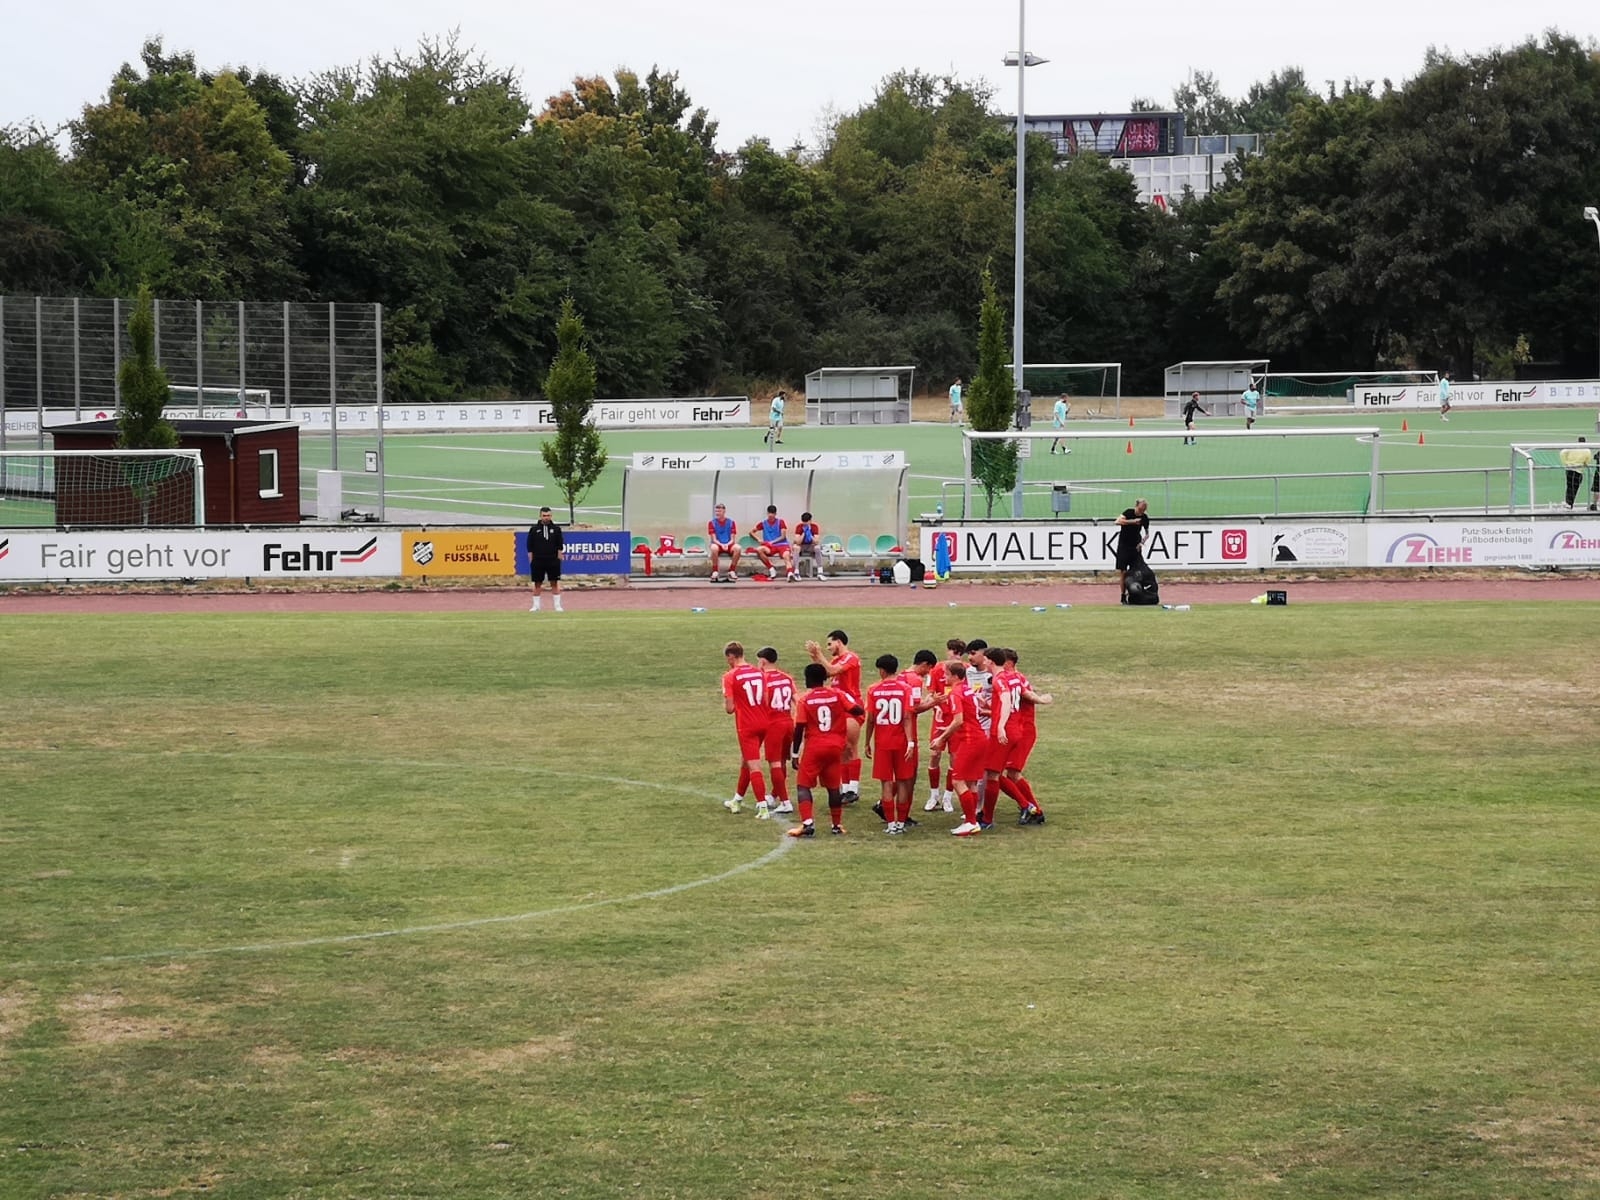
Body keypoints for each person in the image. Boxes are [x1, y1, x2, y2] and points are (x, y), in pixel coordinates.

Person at [787, 662, 864, 837]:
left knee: (803, 786)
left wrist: (795, 753)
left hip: (815, 747)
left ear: (808, 679)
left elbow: (799, 728)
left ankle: (808, 824)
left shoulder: (805, 700)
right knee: (833, 787)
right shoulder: (837, 694)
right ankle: (836, 825)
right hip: (836, 747)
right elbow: (857, 710)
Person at [989, 647, 1053, 826]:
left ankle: (1033, 809)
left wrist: (1042, 699)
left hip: (1021, 731)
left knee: (1006, 773)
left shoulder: (1014, 678)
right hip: (1017, 729)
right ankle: (1029, 807)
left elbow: (1026, 695)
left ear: (1008, 663)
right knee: (1000, 772)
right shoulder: (1013, 678)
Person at [929, 661, 988, 836]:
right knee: (971, 781)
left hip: (969, 740)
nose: (943, 677)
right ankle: (973, 818)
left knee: (957, 780)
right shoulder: (968, 689)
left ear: (955, 676)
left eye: (946, 674)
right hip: (980, 738)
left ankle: (970, 822)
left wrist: (941, 738)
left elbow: (958, 720)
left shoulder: (955, 693)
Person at [863, 654, 918, 834]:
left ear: (882, 670)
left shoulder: (873, 689)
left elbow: (871, 719)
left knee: (886, 783)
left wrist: (867, 742)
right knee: (903, 782)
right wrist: (910, 742)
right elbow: (907, 717)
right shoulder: (906, 688)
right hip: (901, 741)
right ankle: (901, 823)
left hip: (882, 742)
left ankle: (890, 824)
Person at [806, 630, 863, 800]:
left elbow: (831, 671)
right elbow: (823, 673)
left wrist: (819, 654)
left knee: (850, 746)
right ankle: (845, 790)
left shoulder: (850, 657)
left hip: (852, 706)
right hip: (838, 708)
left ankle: (853, 789)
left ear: (839, 641)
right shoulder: (835, 660)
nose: (829, 648)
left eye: (830, 644)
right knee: (842, 749)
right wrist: (815, 657)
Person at [721, 641, 771, 817]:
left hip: (747, 725)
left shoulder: (730, 676)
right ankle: (737, 800)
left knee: (754, 765)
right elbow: (766, 699)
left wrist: (738, 703)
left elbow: (730, 709)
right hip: (764, 722)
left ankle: (763, 807)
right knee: (746, 761)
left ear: (731, 656)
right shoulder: (759, 673)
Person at [756, 647, 796, 815]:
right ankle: (774, 795)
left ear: (763, 661)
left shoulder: (763, 679)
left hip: (773, 724)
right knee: (782, 761)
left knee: (775, 763)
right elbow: (796, 700)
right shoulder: (787, 678)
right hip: (788, 722)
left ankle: (785, 802)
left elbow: (762, 702)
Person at [527, 505, 564, 612]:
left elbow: (560, 546)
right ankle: (536, 606)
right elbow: (529, 546)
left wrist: (558, 560)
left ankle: (557, 606)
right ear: (540, 516)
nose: (546, 517)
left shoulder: (556, 529)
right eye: (544, 515)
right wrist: (532, 560)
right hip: (538, 560)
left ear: (551, 516)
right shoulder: (534, 529)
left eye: (548, 515)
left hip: (552, 560)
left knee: (554, 583)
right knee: (537, 584)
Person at [1115, 498, 1150, 604]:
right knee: (1123, 572)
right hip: (1124, 546)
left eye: (1144, 510)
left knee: (1138, 571)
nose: (1141, 512)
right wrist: (1132, 521)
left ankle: (1136, 594)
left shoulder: (1144, 517)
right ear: (1136, 506)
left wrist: (1141, 543)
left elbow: (1147, 534)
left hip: (1135, 547)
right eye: (1140, 509)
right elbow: (1117, 521)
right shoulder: (1129, 512)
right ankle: (1123, 596)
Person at [754, 504, 796, 581]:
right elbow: (751, 532)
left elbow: (783, 536)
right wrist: (758, 539)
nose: (771, 515)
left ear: (775, 514)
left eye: (772, 513)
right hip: (770, 547)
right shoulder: (763, 523)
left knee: (786, 555)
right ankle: (771, 569)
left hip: (782, 545)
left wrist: (772, 542)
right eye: (769, 513)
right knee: (759, 549)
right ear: (767, 513)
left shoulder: (781, 522)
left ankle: (790, 574)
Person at [707, 503, 741, 583]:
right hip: (718, 544)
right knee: (713, 548)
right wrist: (721, 545)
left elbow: (732, 539)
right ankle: (715, 571)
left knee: (738, 548)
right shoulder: (711, 523)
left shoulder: (731, 522)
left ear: (724, 511)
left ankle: (732, 571)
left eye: (719, 511)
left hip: (729, 544)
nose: (717, 513)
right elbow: (714, 539)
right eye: (716, 511)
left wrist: (727, 544)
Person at [793, 511, 825, 579]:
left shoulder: (814, 527)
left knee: (817, 548)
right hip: (802, 546)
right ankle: (796, 572)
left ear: (810, 521)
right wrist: (804, 533)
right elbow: (797, 542)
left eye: (806, 522)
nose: (805, 523)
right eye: (803, 522)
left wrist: (809, 534)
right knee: (795, 547)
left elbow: (816, 541)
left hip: (811, 545)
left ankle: (820, 572)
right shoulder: (799, 527)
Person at [1561, 437, 1590, 509]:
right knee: (1574, 488)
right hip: (1578, 470)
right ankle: (1569, 504)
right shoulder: (1587, 450)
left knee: (1569, 486)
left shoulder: (1573, 447)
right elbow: (1587, 461)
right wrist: (1585, 464)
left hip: (1569, 469)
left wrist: (1565, 462)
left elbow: (1562, 452)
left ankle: (1568, 503)